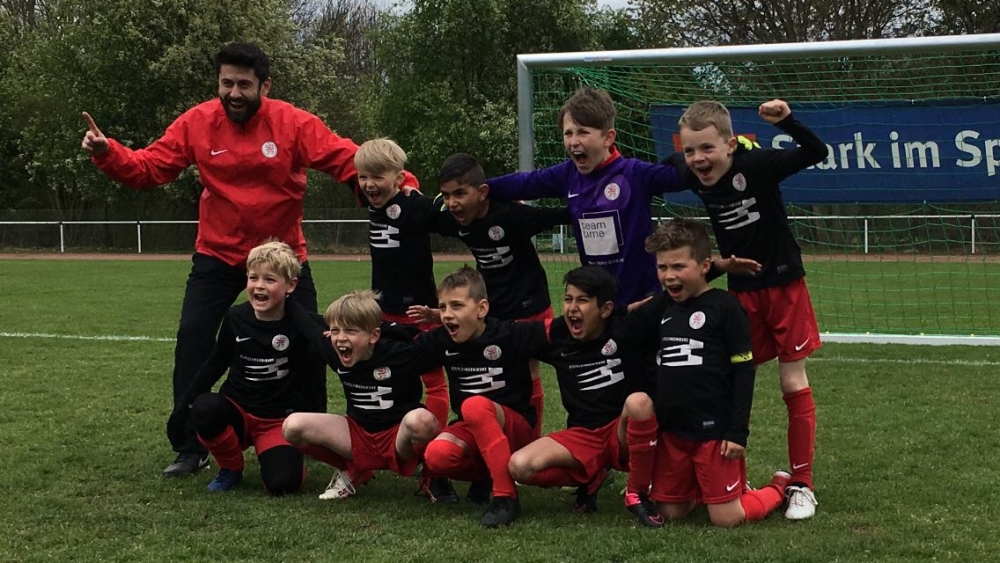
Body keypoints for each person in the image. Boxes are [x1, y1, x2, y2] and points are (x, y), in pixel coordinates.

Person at [81, 42, 416, 477]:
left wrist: (404, 186)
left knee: (314, 340)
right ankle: (191, 446)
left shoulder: (294, 123)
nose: (234, 93)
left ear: (265, 86)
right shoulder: (197, 122)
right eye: (227, 83)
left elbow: (347, 160)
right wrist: (107, 153)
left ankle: (315, 435)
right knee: (194, 336)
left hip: (284, 259)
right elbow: (151, 167)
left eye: (244, 84)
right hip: (218, 254)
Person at [666, 99, 827, 519]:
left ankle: (802, 483)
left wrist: (788, 121)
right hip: (740, 293)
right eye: (690, 150)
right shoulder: (690, 172)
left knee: (792, 380)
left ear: (731, 145)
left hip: (784, 285)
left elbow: (817, 152)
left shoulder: (757, 166)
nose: (698, 159)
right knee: (731, 381)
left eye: (707, 148)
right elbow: (651, 173)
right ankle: (732, 481)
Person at [630, 218, 790, 527]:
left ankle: (778, 487)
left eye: (678, 266)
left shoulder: (725, 307)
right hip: (673, 432)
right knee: (670, 513)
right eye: (662, 267)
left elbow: (744, 372)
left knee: (727, 519)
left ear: (705, 265)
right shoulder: (663, 309)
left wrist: (737, 432)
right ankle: (705, 489)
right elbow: (632, 330)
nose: (669, 275)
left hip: (713, 434)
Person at [484, 87, 689, 309]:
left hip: (641, 303)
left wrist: (686, 157)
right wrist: (479, 188)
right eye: (568, 133)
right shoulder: (567, 174)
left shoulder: (634, 173)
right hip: (596, 307)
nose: (573, 141)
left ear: (608, 138)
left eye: (582, 132)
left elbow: (682, 176)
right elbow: (525, 183)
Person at [506, 266, 665, 527]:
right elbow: (502, 333)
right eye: (568, 299)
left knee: (639, 402)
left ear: (605, 309)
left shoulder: (626, 329)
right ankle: (590, 476)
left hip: (621, 432)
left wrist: (718, 267)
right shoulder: (558, 336)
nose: (572, 308)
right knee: (519, 466)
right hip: (583, 436)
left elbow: (670, 296)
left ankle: (638, 493)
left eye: (582, 300)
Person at [428, 153, 572, 437]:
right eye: (446, 195)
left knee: (530, 371)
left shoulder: (511, 215)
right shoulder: (454, 220)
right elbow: (420, 212)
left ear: (482, 192)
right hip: (492, 308)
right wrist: (406, 186)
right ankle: (494, 433)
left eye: (460, 193)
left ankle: (530, 437)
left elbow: (560, 215)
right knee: (496, 372)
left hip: (529, 304)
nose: (452, 202)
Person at [166, 241, 313, 495]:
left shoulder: (300, 323)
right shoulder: (235, 317)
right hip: (238, 412)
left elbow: (328, 347)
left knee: (283, 484)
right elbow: (215, 363)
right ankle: (230, 468)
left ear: (290, 285)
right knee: (205, 407)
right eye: (253, 277)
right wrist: (183, 406)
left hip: (276, 420)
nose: (259, 285)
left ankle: (276, 451)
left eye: (269, 279)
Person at [414, 266, 550, 528]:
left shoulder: (509, 334)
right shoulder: (441, 339)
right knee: (437, 456)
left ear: (482, 308)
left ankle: (506, 496)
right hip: (472, 427)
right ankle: (487, 474)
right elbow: (398, 351)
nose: (447, 314)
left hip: (516, 429)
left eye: (456, 305)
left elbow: (558, 334)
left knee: (474, 405)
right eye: (442, 307)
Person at [280, 290, 443, 500]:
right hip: (359, 433)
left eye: (350, 331)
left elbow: (443, 341)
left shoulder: (400, 352)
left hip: (398, 438)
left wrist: (439, 317)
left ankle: (430, 472)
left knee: (420, 421)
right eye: (335, 330)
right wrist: (283, 295)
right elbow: (307, 323)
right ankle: (353, 469)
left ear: (374, 335)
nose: (341, 338)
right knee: (292, 426)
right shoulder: (334, 351)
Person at [353, 139, 449, 430]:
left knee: (433, 382)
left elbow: (455, 218)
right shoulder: (371, 199)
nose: (369, 184)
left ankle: (434, 444)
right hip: (383, 313)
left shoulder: (415, 205)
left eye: (377, 177)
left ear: (398, 178)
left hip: (420, 312)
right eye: (363, 177)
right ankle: (391, 436)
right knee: (388, 376)